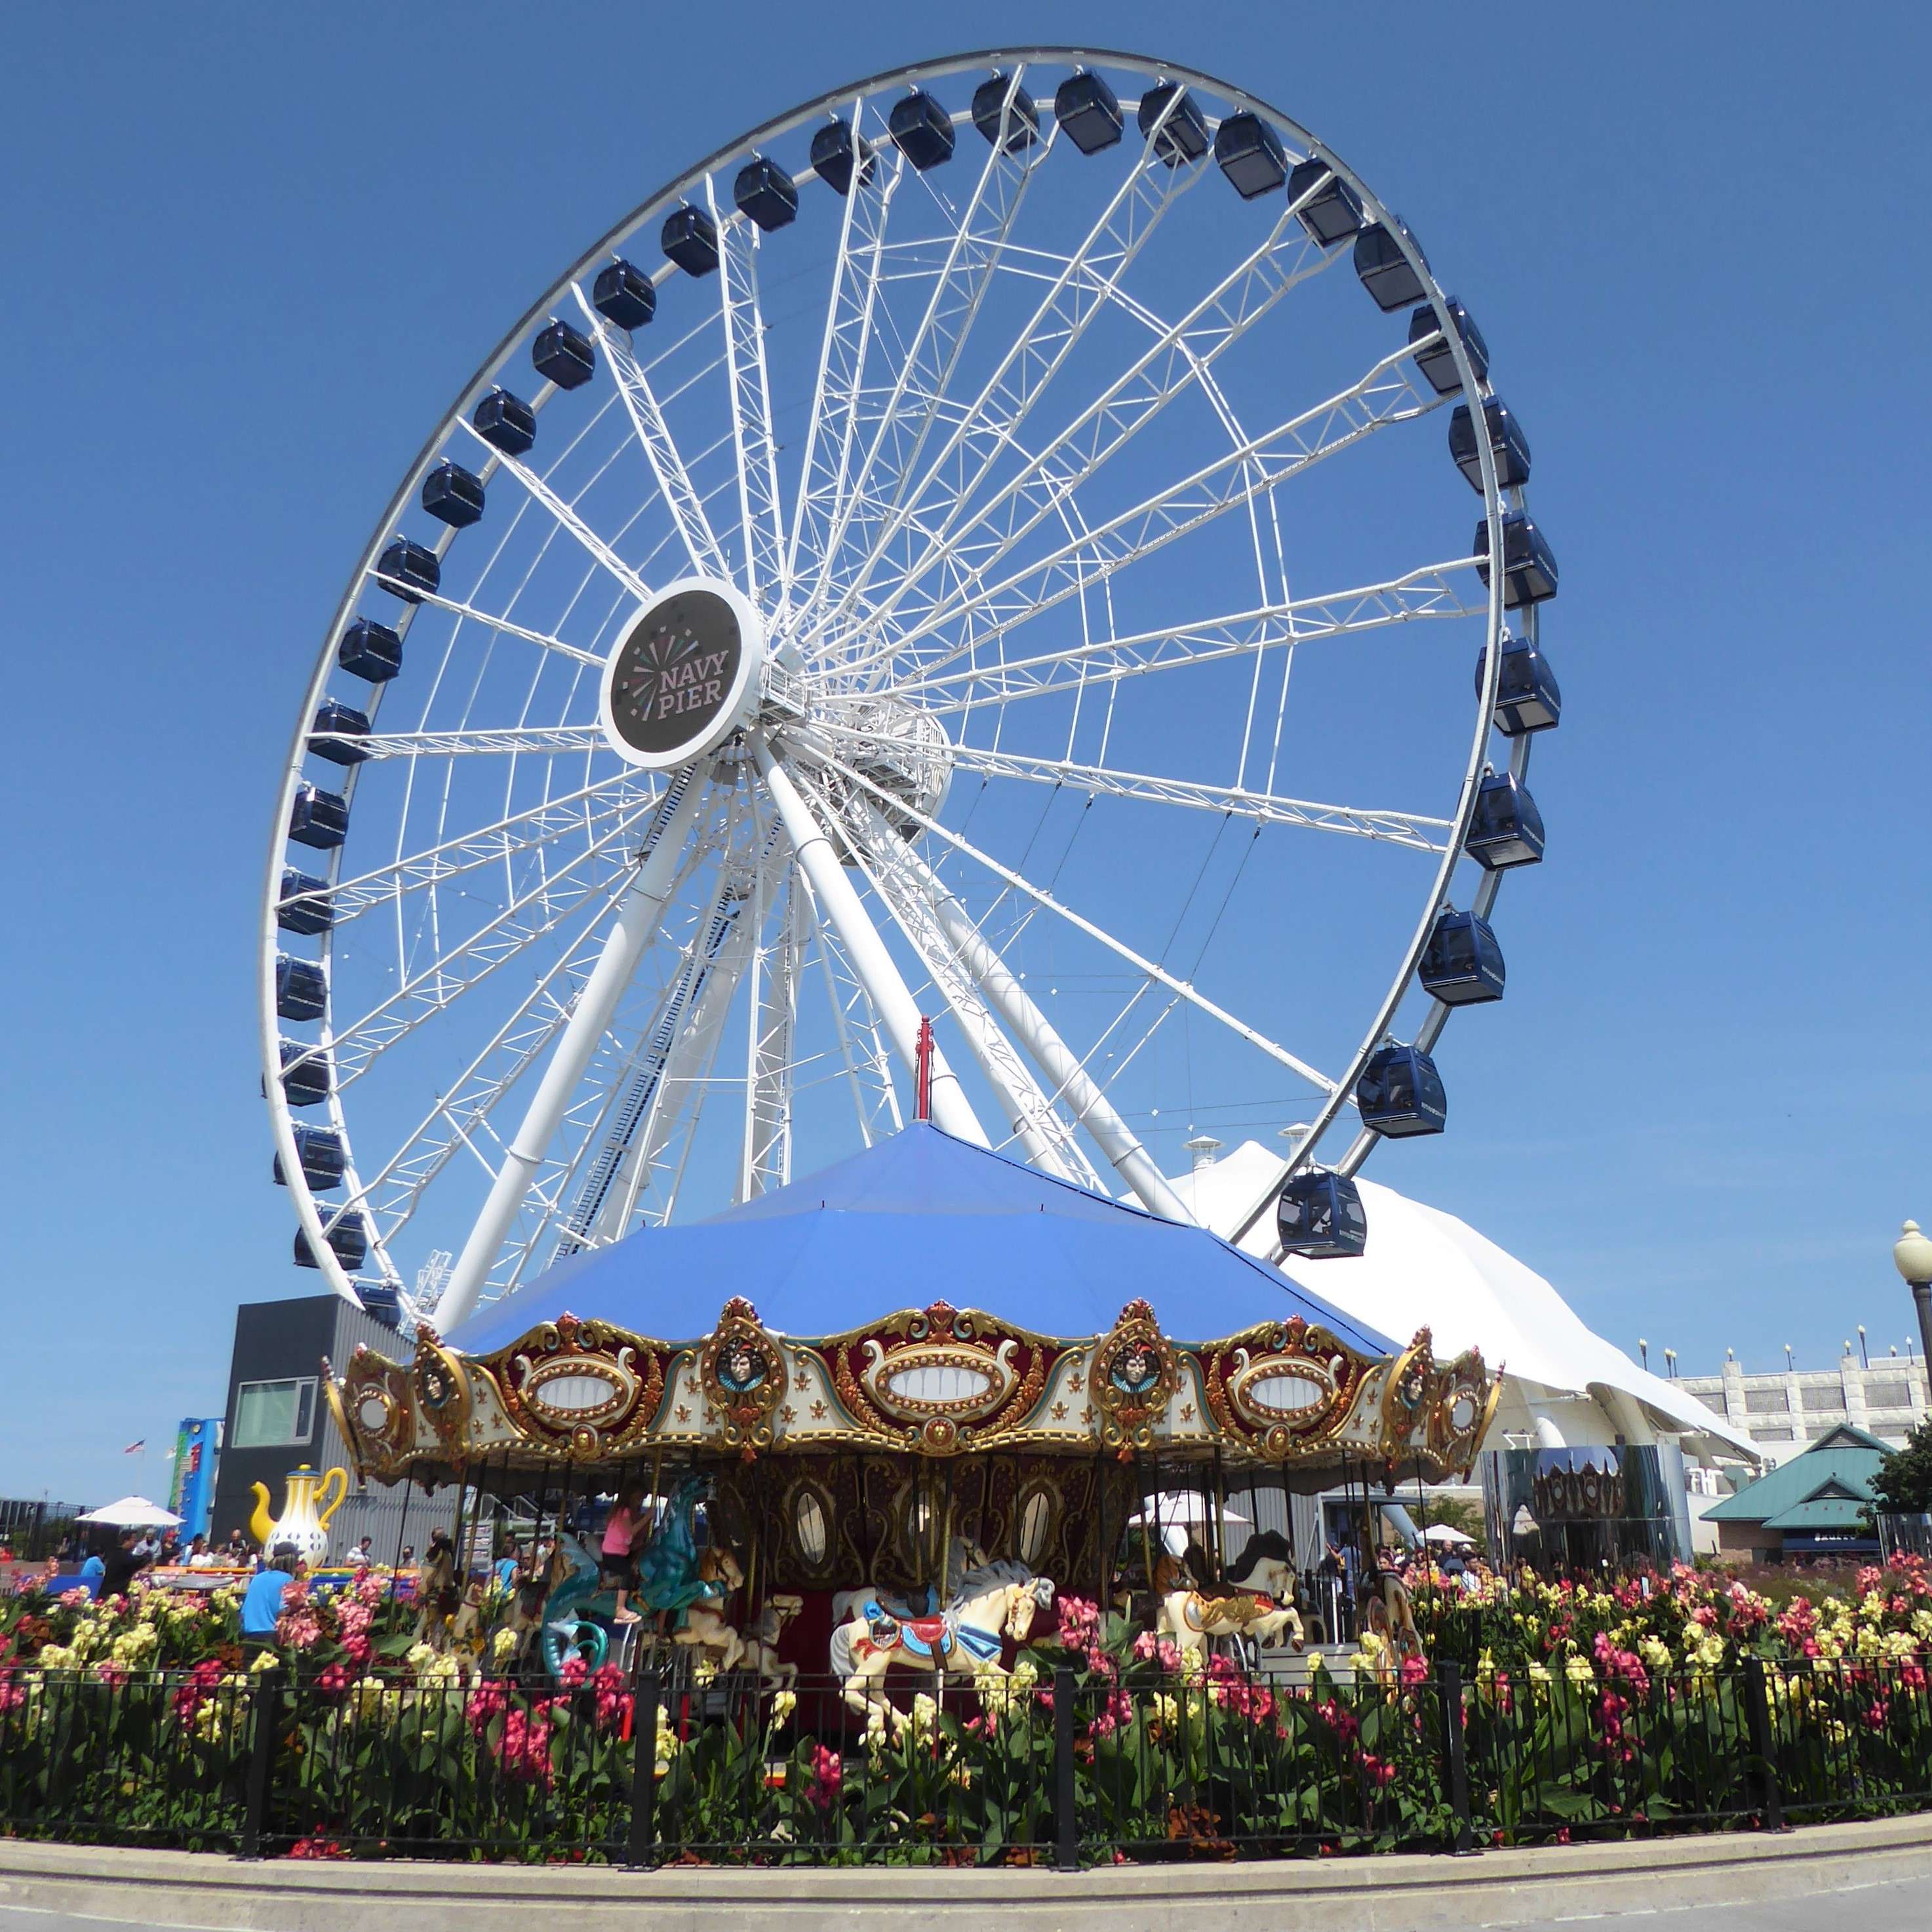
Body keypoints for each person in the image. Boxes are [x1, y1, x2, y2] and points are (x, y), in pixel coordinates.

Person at [601, 1482, 650, 1625]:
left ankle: (634, 1594)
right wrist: (647, 1518)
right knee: (627, 1572)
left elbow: (629, 1538)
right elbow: (630, 1532)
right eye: (640, 1498)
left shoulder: (621, 1511)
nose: (641, 1502)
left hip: (619, 1551)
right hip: (613, 1554)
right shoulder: (625, 1511)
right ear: (633, 1496)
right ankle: (620, 1609)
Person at [241, 1544, 302, 1649]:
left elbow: (244, 1612)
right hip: (271, 1637)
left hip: (249, 1636)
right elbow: (283, 1612)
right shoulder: (287, 1580)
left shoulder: (257, 1578)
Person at [100, 1530, 148, 1600]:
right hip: (113, 1595)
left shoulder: (116, 1553)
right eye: (133, 1540)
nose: (135, 1544)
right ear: (126, 1541)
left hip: (112, 1592)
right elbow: (136, 1562)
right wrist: (148, 1555)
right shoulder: (122, 1555)